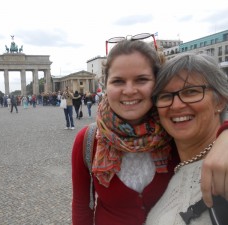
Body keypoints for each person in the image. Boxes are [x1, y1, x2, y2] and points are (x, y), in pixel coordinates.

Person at [71, 39, 228, 225]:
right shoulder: (89, 140)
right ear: (106, 86)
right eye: (118, 81)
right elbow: (82, 206)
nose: (129, 90)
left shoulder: (173, 129)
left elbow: (210, 116)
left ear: (157, 83)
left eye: (141, 79)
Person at [146, 53, 228, 224]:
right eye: (165, 96)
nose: (176, 105)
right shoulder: (165, 160)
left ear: (220, 102)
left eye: (191, 92)